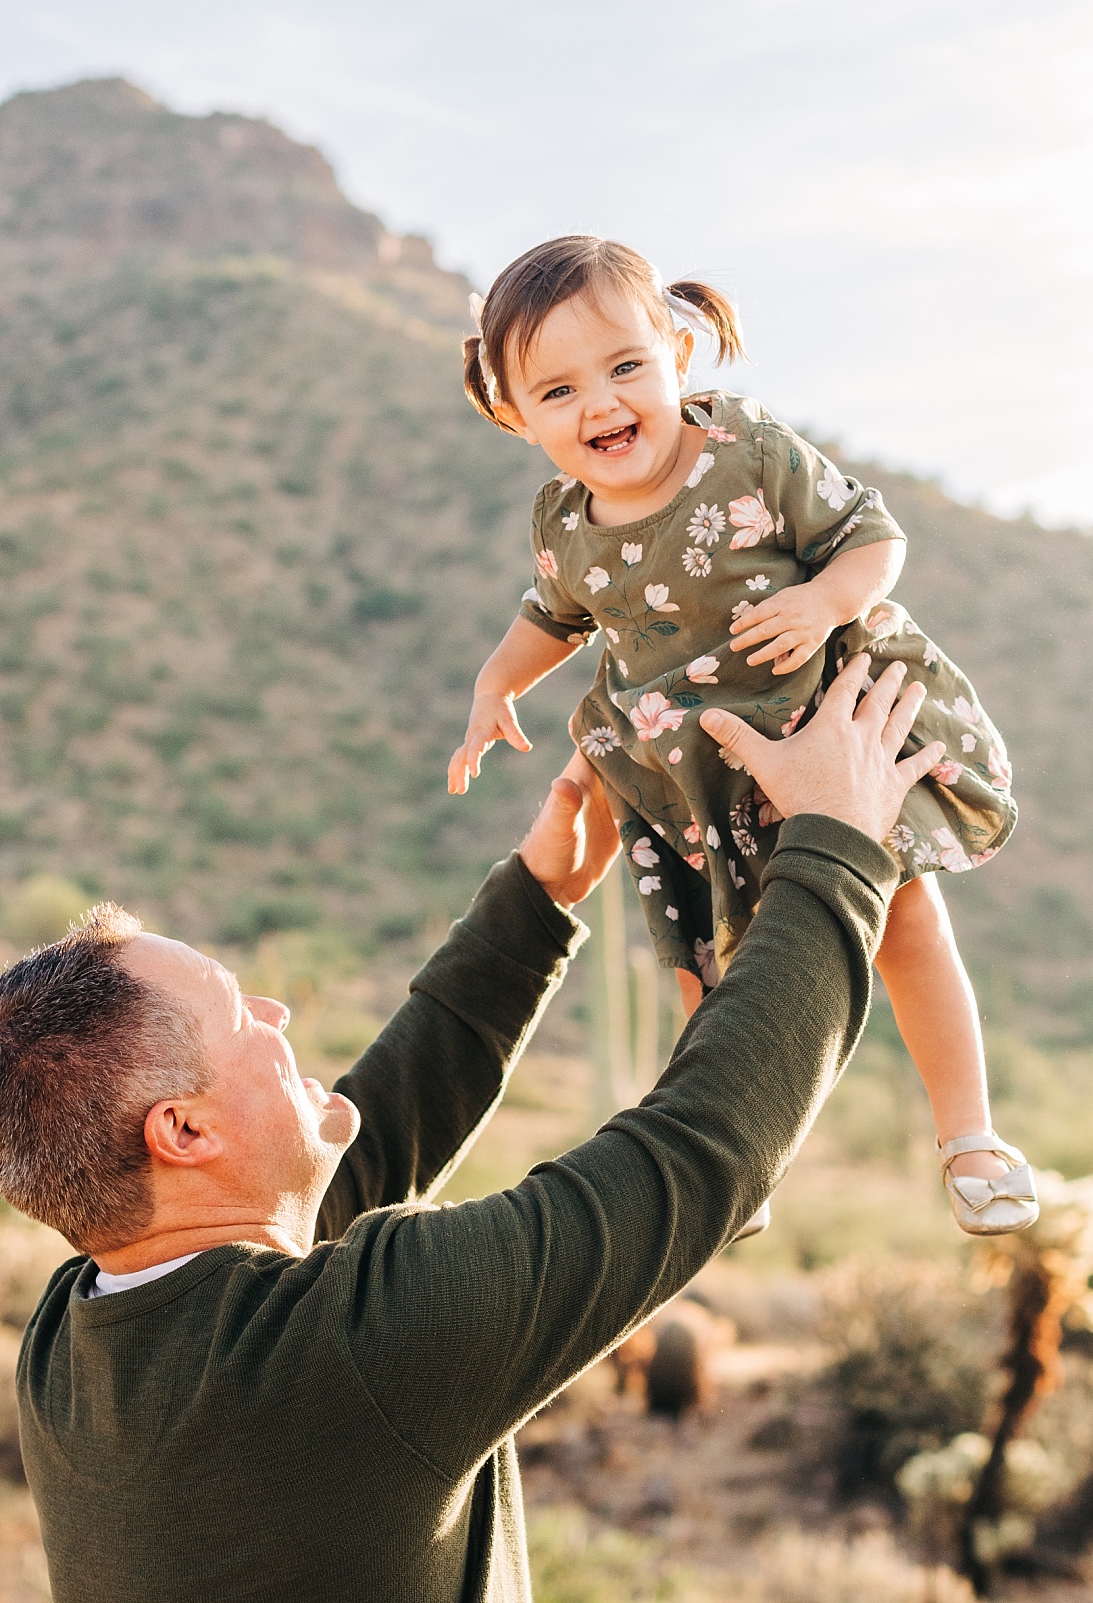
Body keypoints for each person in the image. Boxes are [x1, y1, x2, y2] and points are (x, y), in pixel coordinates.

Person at [13, 655, 936, 1603]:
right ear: (184, 1132)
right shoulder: (358, 1353)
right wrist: (834, 844)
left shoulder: (73, 1349)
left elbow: (355, 1165)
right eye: (236, 1013)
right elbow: (700, 1154)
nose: (276, 1012)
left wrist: (533, 908)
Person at [450, 236, 1037, 1237]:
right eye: (558, 391)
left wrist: (820, 601)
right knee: (700, 972)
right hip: (684, 778)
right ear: (514, 413)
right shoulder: (564, 522)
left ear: (677, 355)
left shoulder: (752, 455)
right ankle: (729, 1166)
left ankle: (969, 1136)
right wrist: (493, 685)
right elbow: (552, 617)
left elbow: (874, 537)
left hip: (826, 744)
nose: (600, 405)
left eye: (626, 367)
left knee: (907, 924)